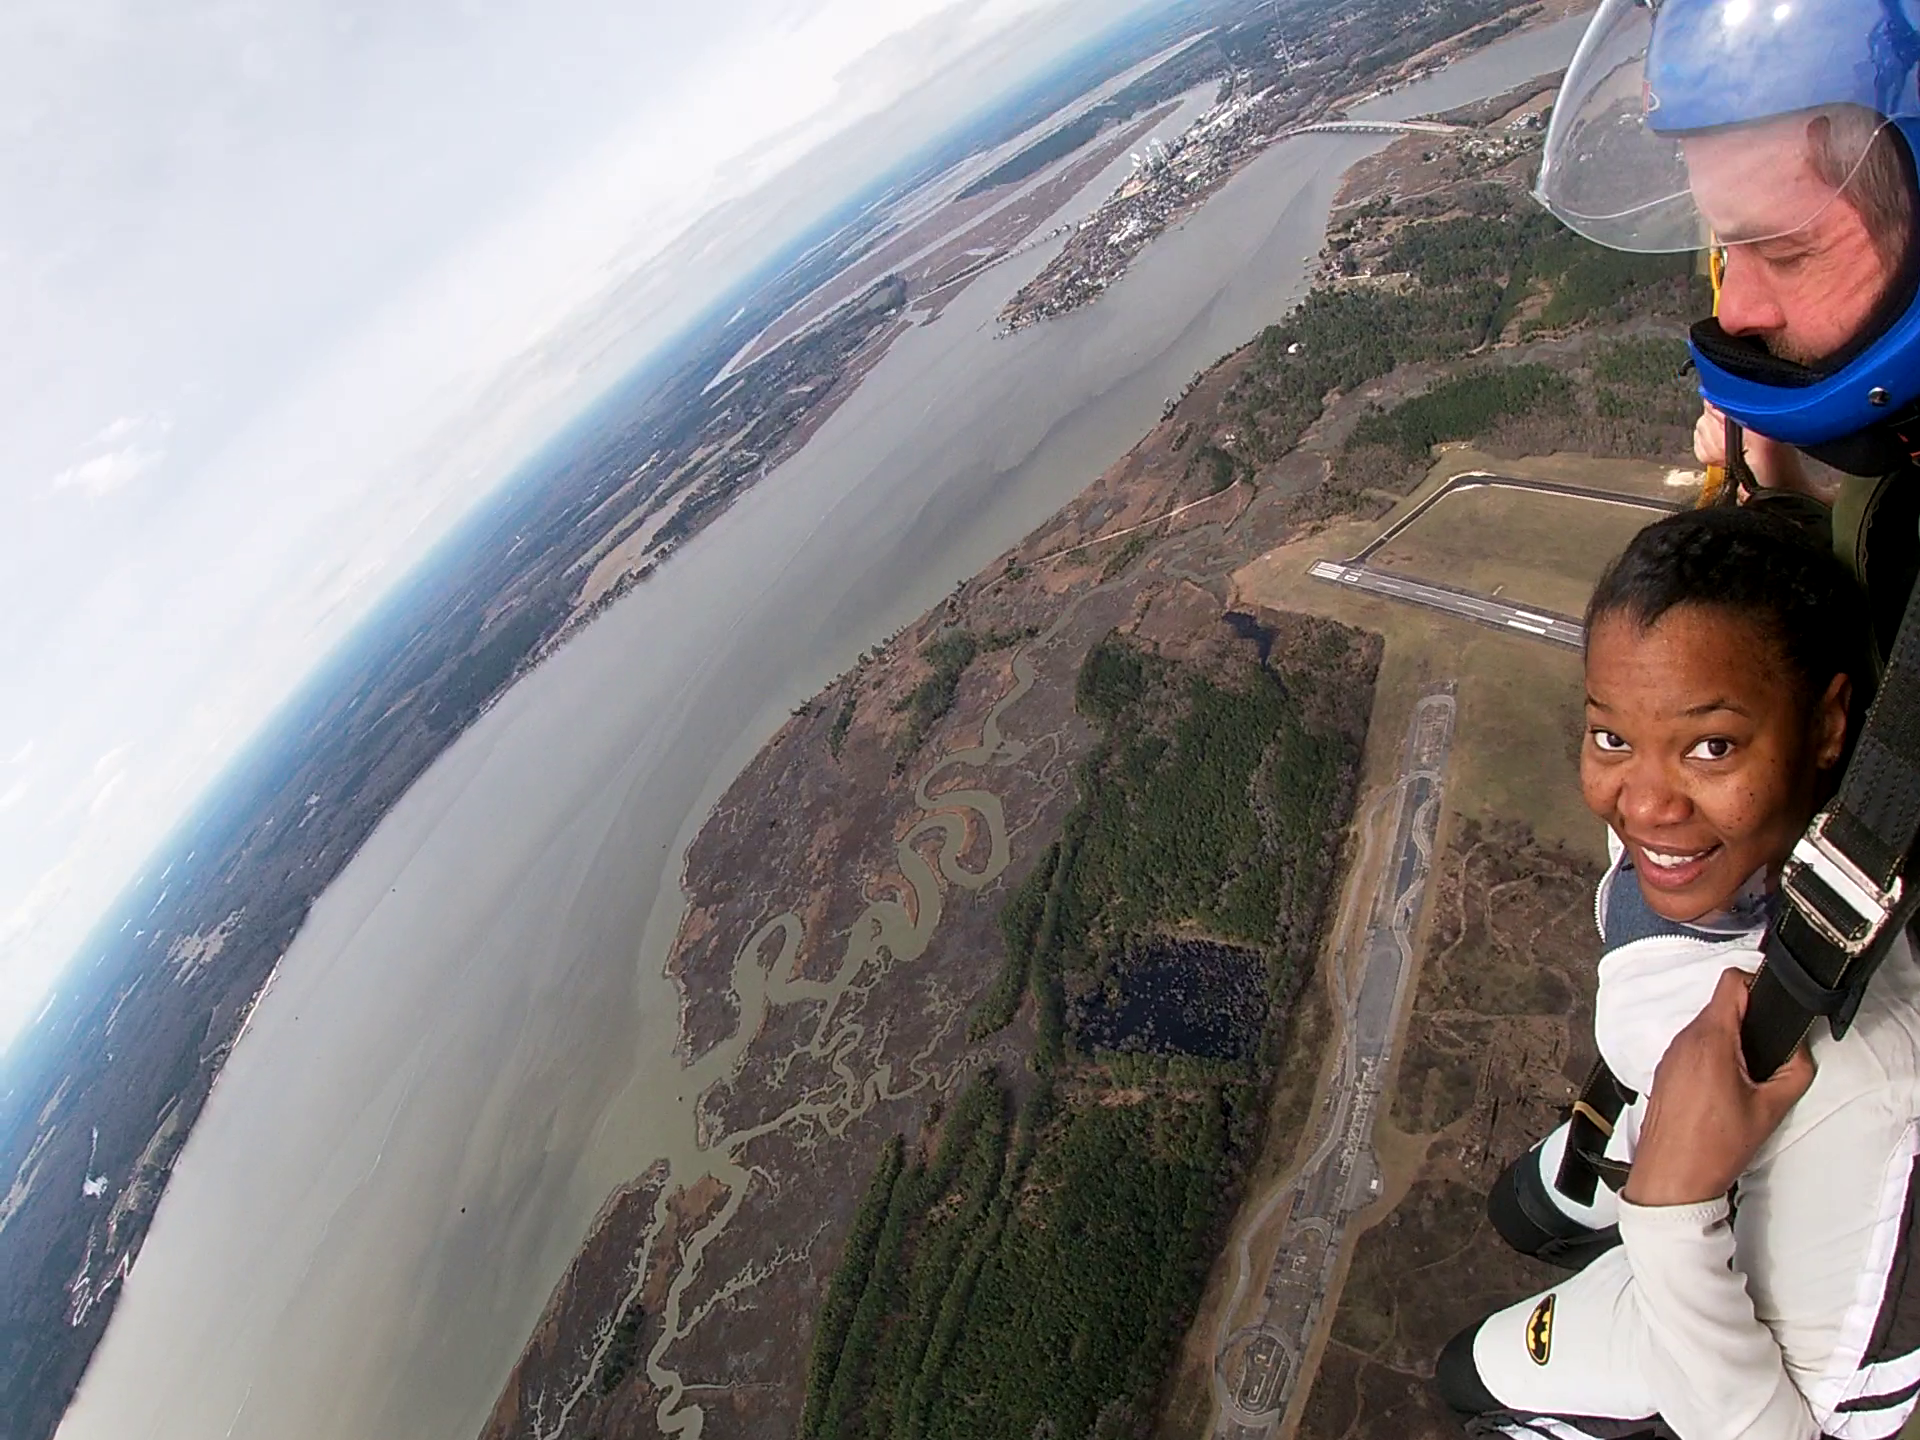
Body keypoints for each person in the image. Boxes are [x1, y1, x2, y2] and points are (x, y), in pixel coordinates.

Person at [1431, 0, 1920, 1434]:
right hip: (1749, 1057)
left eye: (1782, 249)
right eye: (1728, 251)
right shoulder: (1879, 508)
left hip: (1781, 1265)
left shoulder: (1877, 1100)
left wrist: (1676, 1213)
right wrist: (1791, 526)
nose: (1742, 310)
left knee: (1481, 1386)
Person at [1436, 508, 1920, 1439]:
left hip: (1723, 1290)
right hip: (1676, 1139)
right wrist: (1773, 489)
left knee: (1468, 1381)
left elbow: (1787, 1424)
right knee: (1518, 1210)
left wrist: (1669, 1208)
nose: (1646, 804)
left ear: (1828, 726)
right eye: (1610, 737)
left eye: (1711, 747)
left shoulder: (1858, 1091)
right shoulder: (1721, 852)